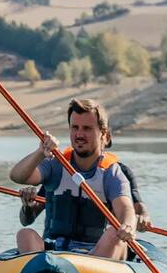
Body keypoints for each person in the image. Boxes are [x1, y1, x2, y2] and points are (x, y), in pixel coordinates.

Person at [10, 97, 136, 261]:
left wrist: (128, 226)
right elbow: (18, 176)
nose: (79, 134)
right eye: (75, 127)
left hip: (96, 254)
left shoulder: (111, 173)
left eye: (87, 128)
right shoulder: (55, 165)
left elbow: (125, 208)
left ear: (103, 134)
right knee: (25, 234)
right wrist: (40, 152)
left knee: (113, 233)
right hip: (53, 252)